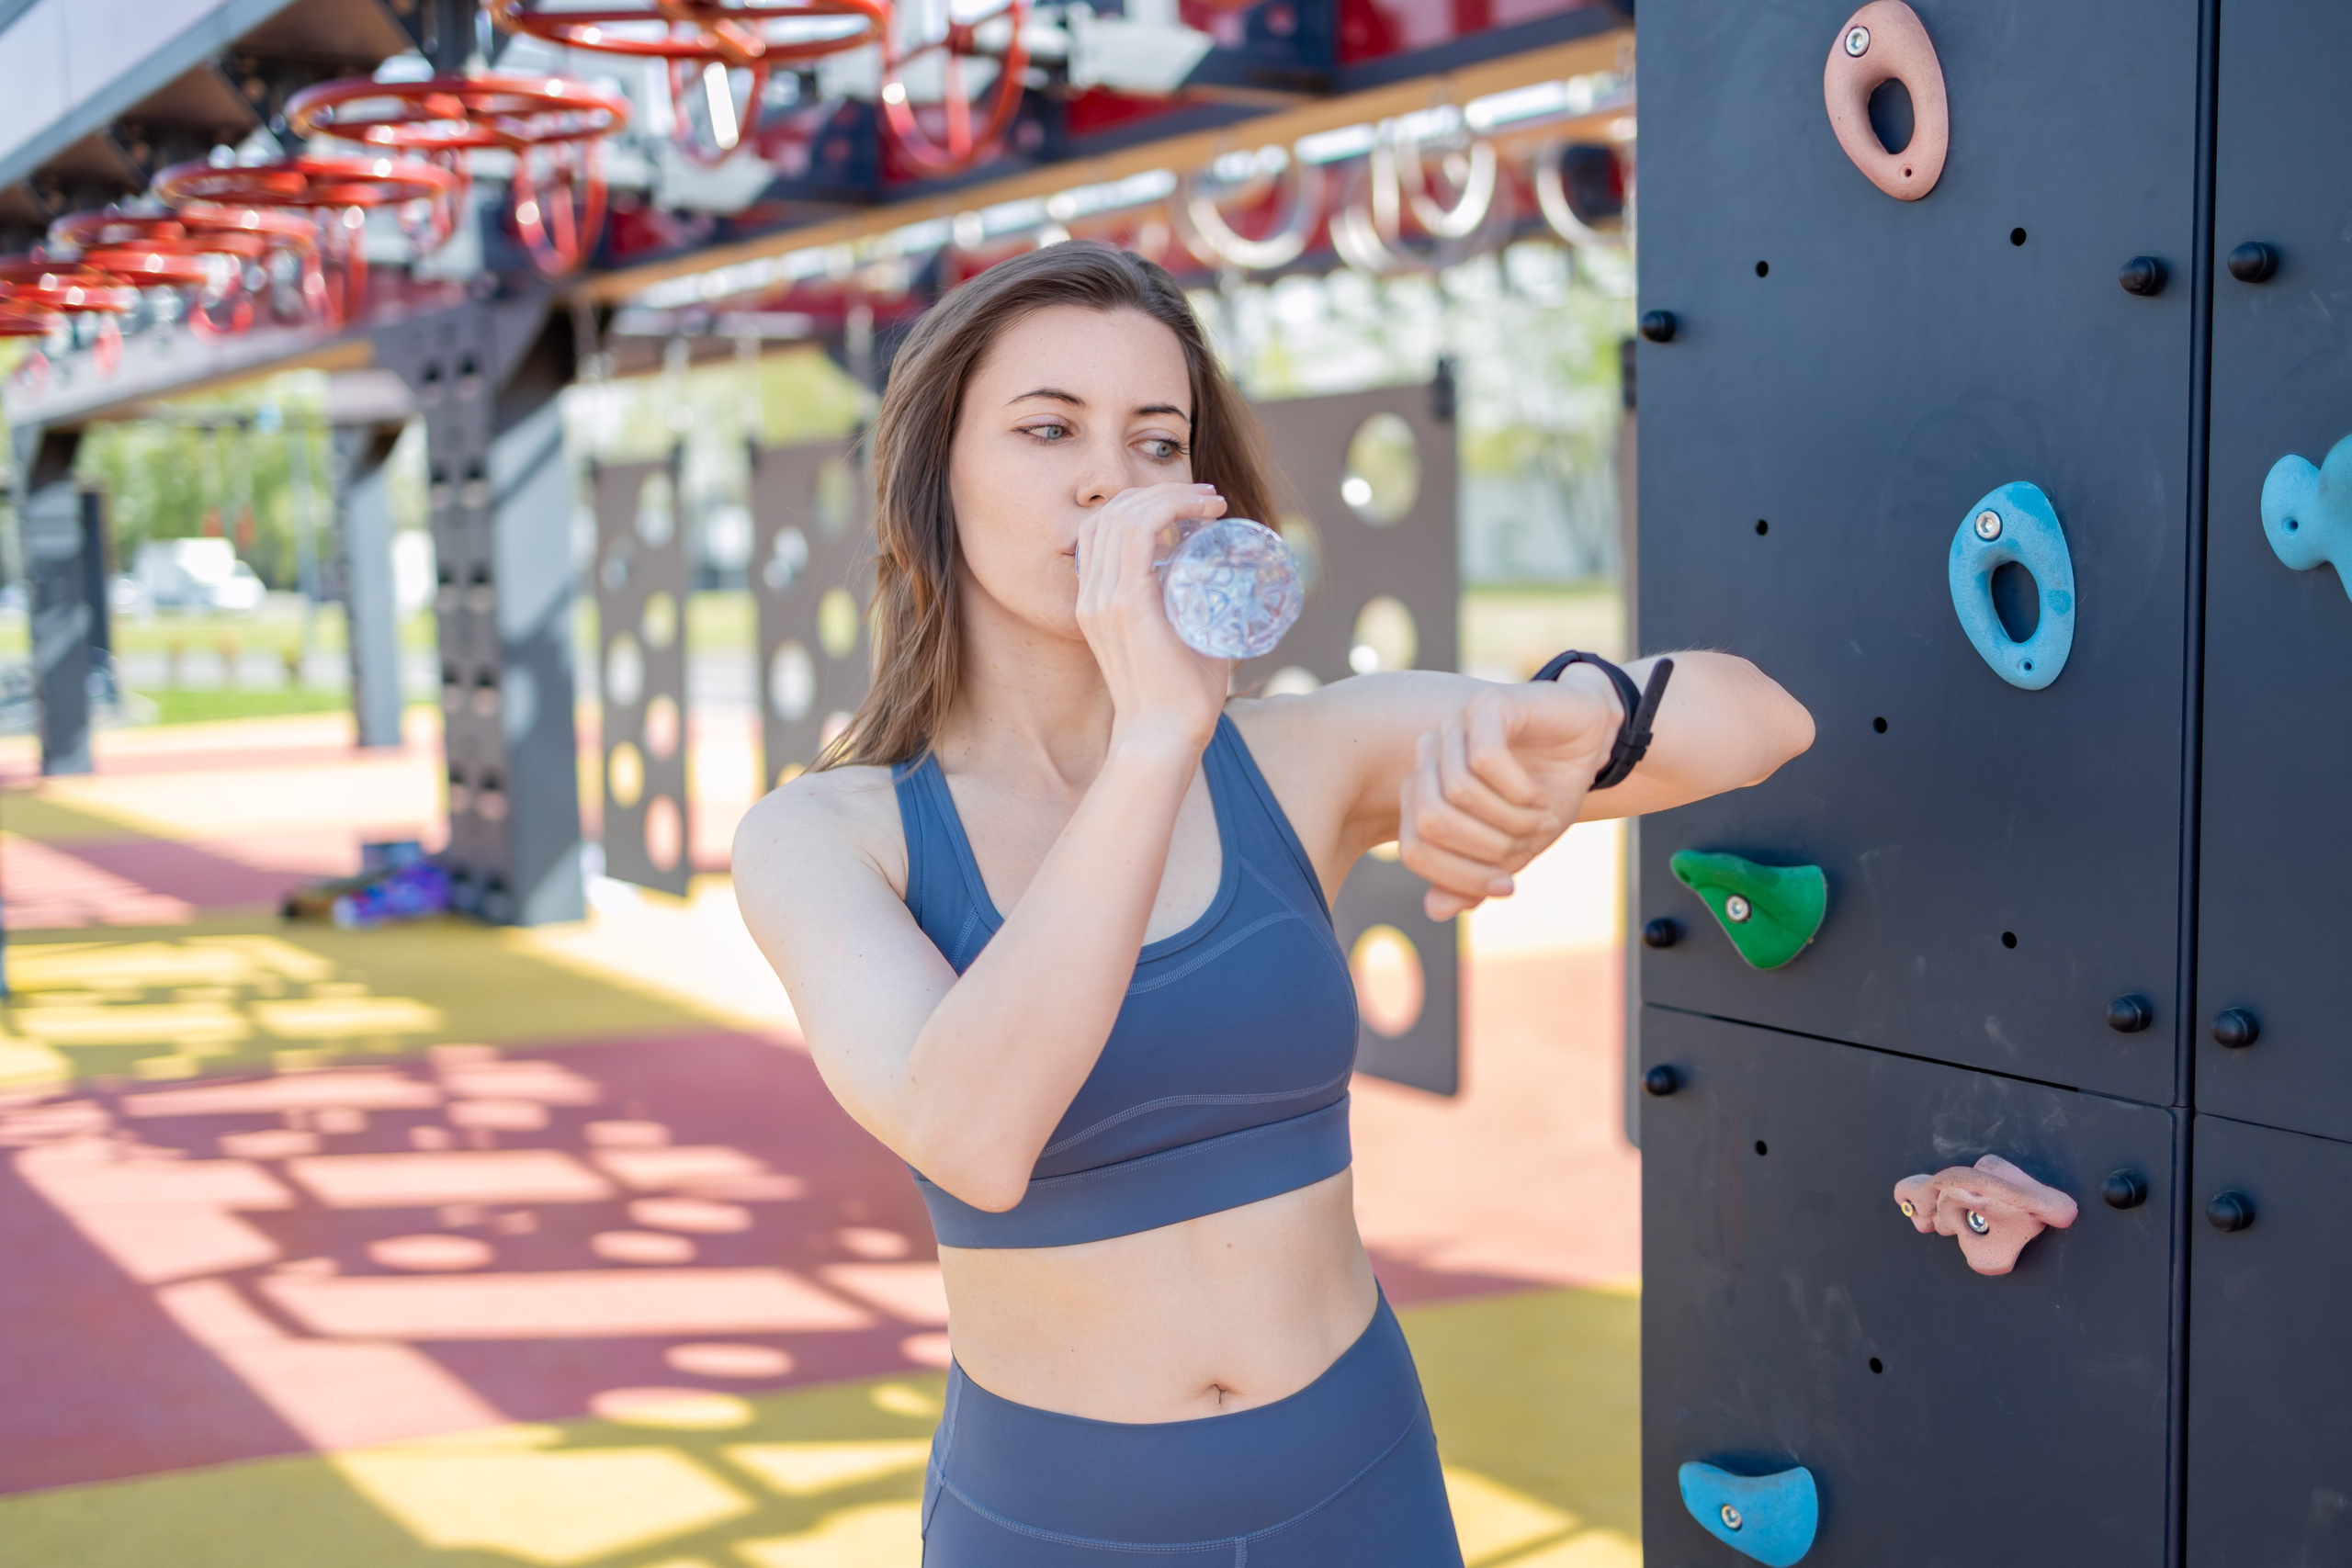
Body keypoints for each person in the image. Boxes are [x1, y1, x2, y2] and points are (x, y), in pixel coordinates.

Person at [733, 240, 1815, 1565]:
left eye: (1154, 439)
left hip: (1358, 1480)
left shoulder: (1304, 758)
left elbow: (1760, 721)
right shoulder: (822, 838)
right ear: (932, 481)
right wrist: (1151, 740)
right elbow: (974, 1134)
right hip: (1060, 1523)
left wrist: (1570, 712)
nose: (1106, 477)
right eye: (1046, 428)